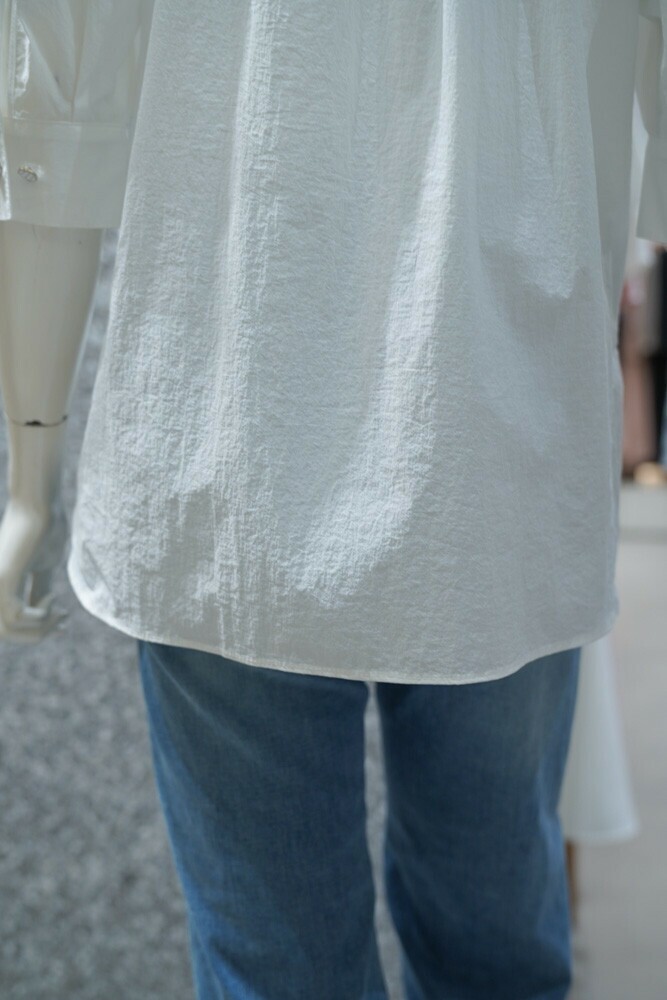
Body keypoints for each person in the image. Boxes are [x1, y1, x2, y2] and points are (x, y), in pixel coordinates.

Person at [1, 3, 666, 998]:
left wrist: (33, 466)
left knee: (284, 968)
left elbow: (51, 96)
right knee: (489, 952)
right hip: (497, 431)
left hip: (232, 437)